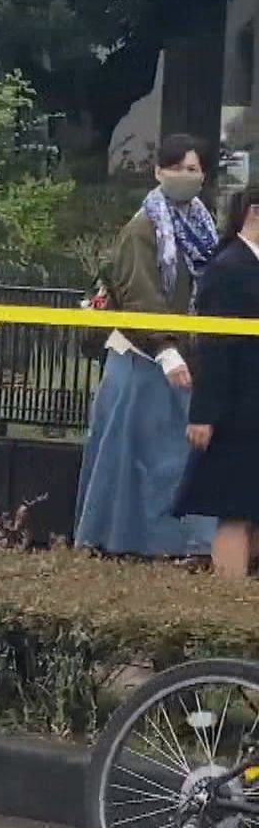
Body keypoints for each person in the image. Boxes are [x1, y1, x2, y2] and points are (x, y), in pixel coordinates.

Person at [76, 134, 218, 558]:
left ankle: (177, 546)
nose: (184, 176)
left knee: (173, 456)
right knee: (130, 455)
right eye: (175, 168)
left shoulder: (203, 226)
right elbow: (139, 292)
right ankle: (115, 541)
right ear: (158, 172)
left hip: (184, 358)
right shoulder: (143, 227)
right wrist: (165, 348)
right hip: (143, 358)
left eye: (192, 169)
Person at [177, 190, 259, 580]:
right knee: (236, 509)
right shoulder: (228, 268)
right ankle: (227, 606)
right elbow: (212, 346)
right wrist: (204, 414)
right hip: (236, 410)